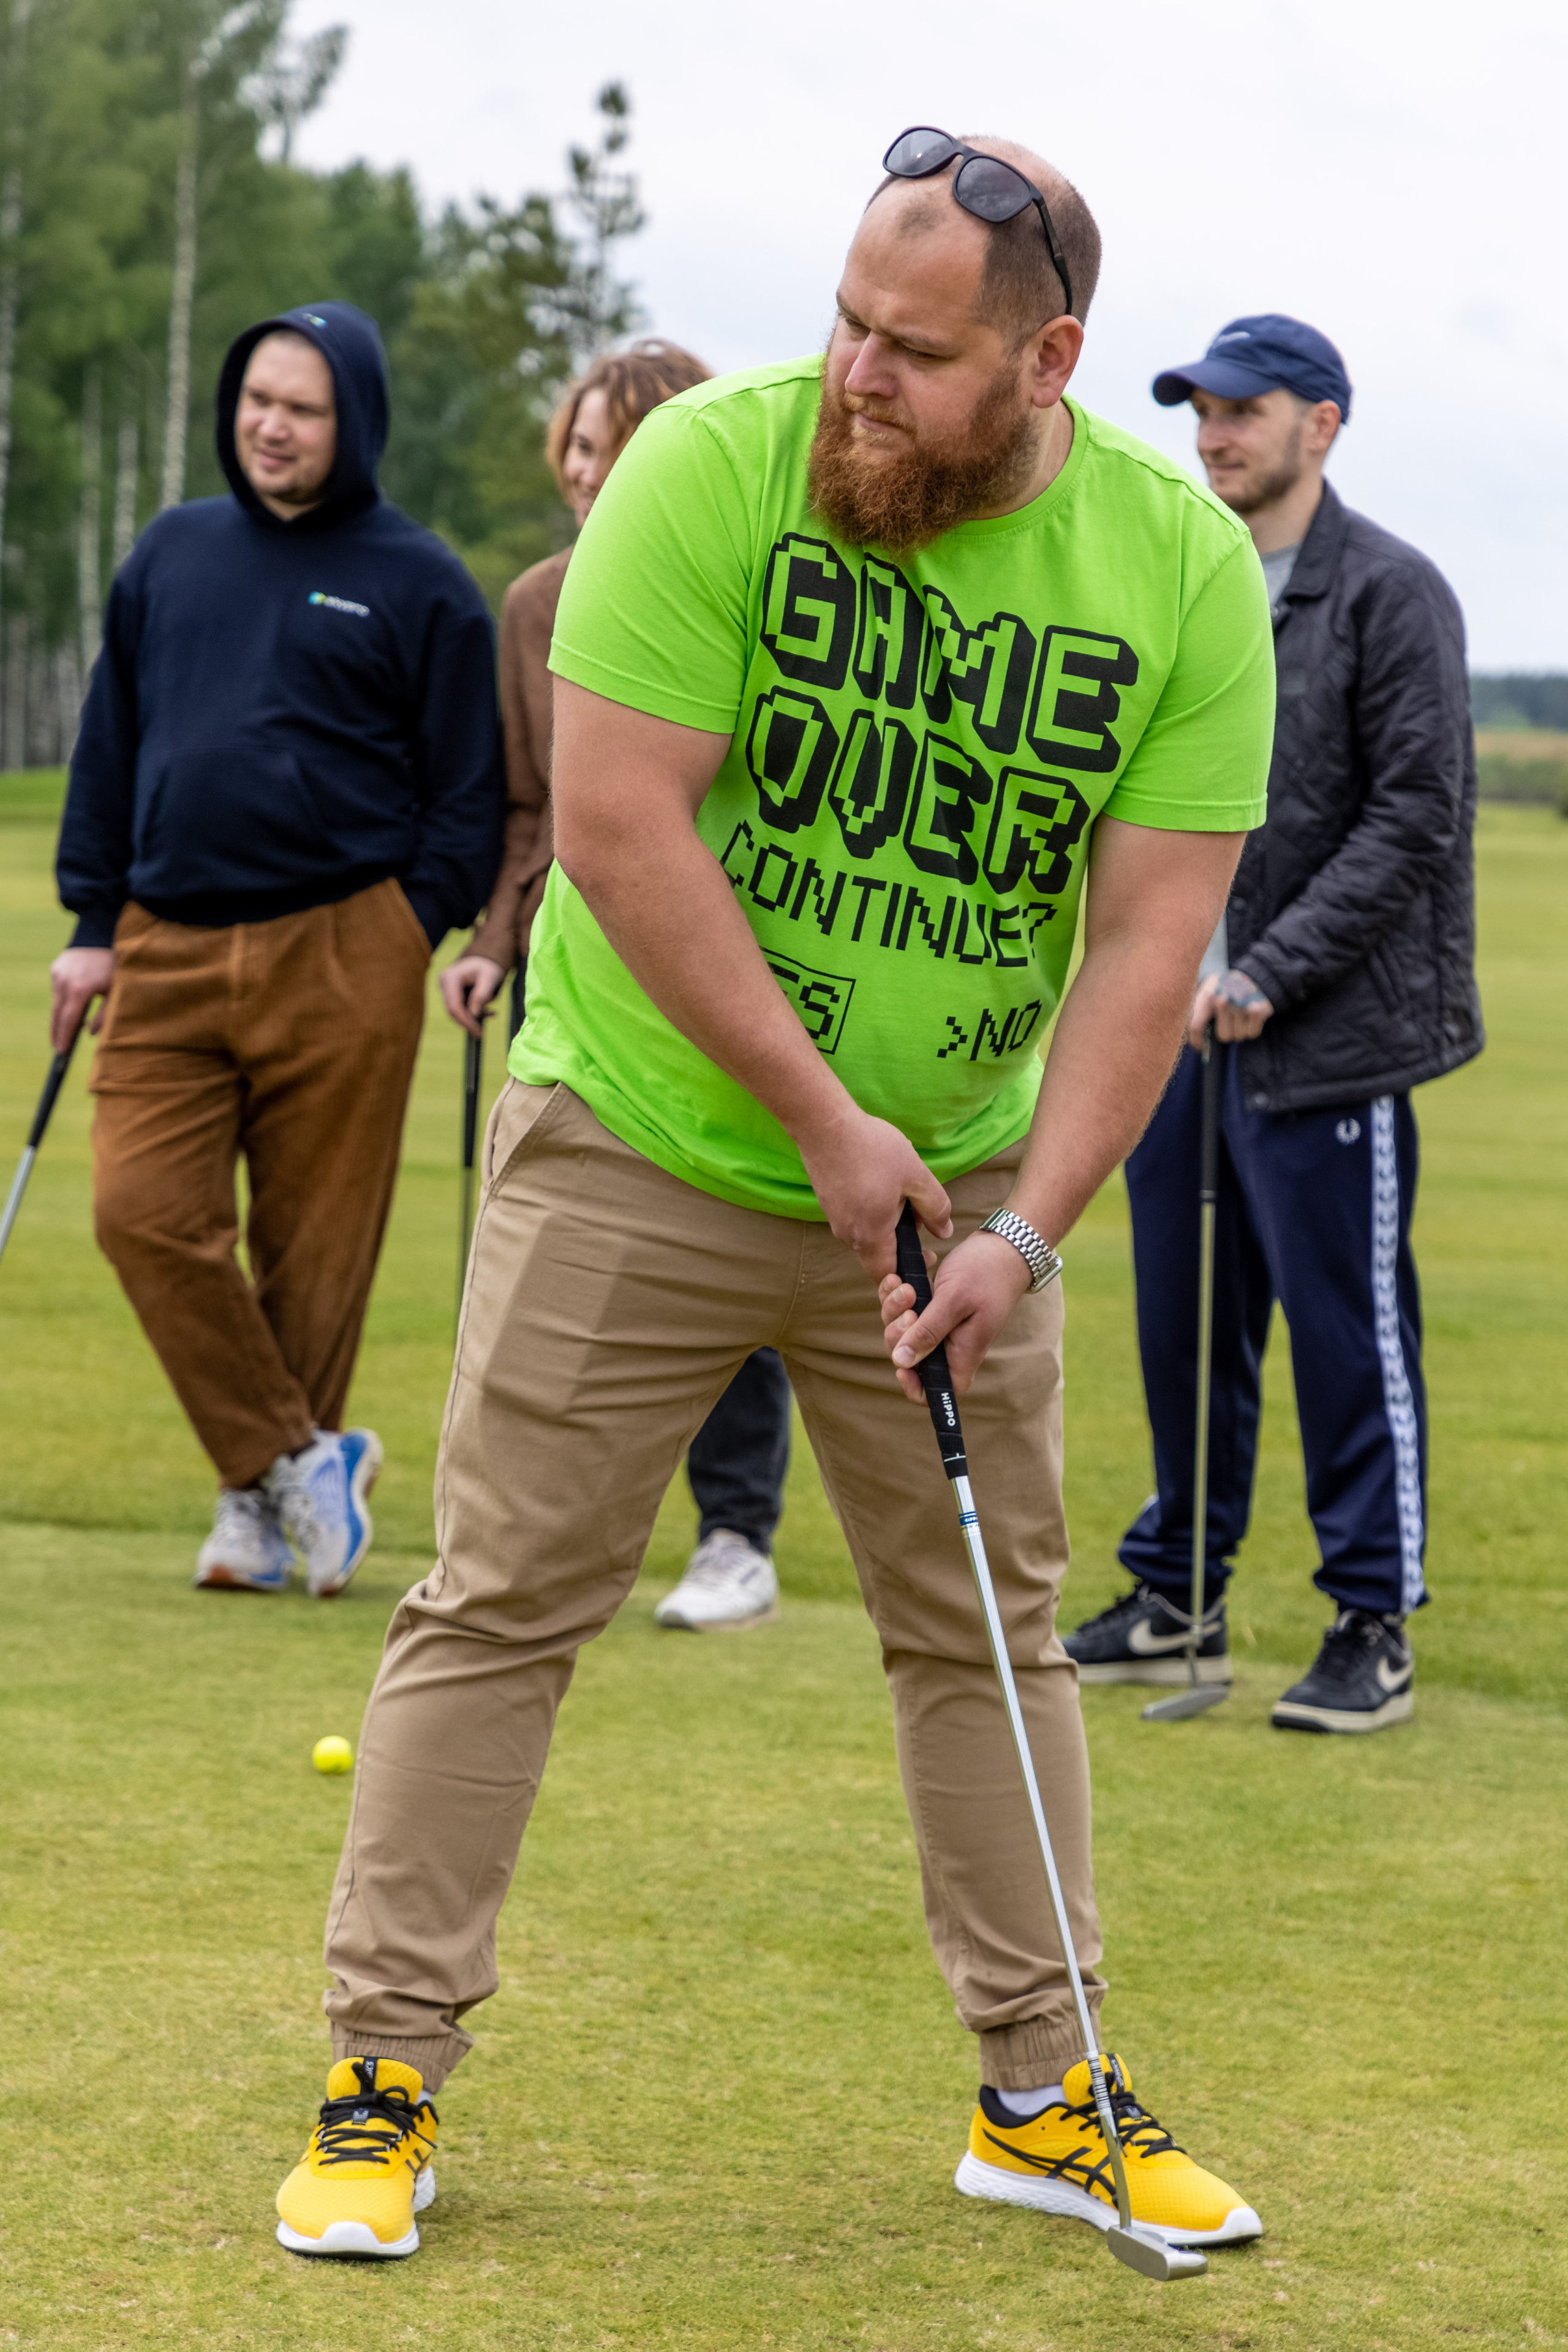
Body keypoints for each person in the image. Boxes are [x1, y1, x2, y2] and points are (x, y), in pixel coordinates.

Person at [274, 130, 1275, 2264]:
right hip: (642, 1132)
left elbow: (1142, 946)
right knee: (502, 1601)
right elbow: (627, 832)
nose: (852, 378)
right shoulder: (708, 469)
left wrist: (1017, 1232)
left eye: (912, 354)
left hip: (959, 1187)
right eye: (843, 321)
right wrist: (831, 1128)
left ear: (1049, 360)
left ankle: (1041, 2093)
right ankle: (380, 2081)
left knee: (989, 1628)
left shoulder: (1180, 573)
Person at [1063, 315, 1482, 1733]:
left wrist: (1265, 972)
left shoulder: (1389, 593)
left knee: (1344, 1333)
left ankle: (1371, 1621)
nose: (1212, 434)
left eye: (1243, 410)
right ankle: (1178, 1588)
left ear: (1322, 423)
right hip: (1169, 1035)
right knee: (1185, 1328)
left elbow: (1414, 817)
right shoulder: (1191, 581)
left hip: (1322, 1040)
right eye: (1198, 411)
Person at [50, 303, 504, 1598]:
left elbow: (467, 787)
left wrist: (410, 923)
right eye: (257, 400)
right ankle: (297, 1462)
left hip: (341, 950)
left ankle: (253, 1513)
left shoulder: (418, 579)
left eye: (302, 408)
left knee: (315, 1253)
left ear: (351, 420)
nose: (272, 426)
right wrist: (91, 927)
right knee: (141, 1215)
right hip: (164, 942)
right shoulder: (174, 550)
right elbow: (111, 741)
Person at [438, 342, 793, 1633]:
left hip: (711, 970)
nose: (591, 475)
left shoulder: (746, 584)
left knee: (740, 1233)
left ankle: (734, 1532)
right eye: (579, 450)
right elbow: (529, 809)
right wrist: (489, 943)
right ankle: (524, 1542)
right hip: (564, 972)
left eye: (620, 447)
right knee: (564, 1248)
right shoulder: (535, 602)